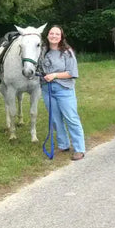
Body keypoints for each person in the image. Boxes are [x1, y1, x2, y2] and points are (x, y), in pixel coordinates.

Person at [41, 25, 86, 161]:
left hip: (64, 90)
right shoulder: (42, 51)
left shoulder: (67, 52)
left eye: (57, 34)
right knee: (55, 119)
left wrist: (54, 75)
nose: (54, 36)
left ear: (61, 37)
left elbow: (72, 73)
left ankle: (79, 148)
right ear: (47, 35)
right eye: (51, 33)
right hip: (47, 89)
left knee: (71, 118)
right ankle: (63, 144)